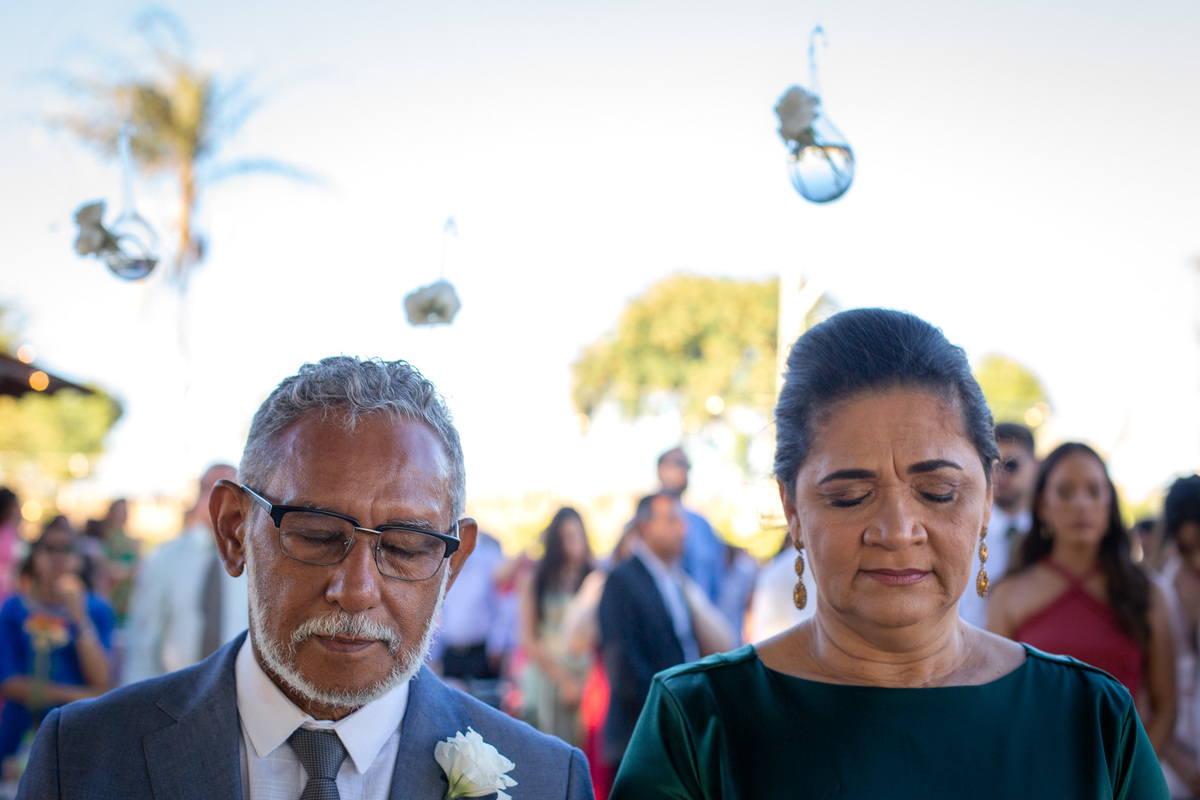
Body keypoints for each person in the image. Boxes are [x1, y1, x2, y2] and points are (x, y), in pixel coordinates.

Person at [610, 308, 1169, 798]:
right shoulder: (699, 722)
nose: (898, 530)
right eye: (849, 497)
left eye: (939, 493)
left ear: (988, 498)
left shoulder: (1093, 720)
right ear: (793, 511)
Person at [17, 356, 593, 799]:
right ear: (234, 531)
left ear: (453, 564)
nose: (358, 588)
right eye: (317, 535)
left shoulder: (546, 780)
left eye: (406, 547)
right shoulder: (86, 758)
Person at [988, 442, 1176, 755]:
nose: (1081, 504)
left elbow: (1166, 707)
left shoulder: (1146, 591)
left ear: (1109, 503)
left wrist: (1128, 780)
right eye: (1065, 492)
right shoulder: (1009, 594)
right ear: (1042, 505)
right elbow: (996, 704)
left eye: (1094, 491)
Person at [0, 517, 114, 768]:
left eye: (68, 549)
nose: (59, 558)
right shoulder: (12, 609)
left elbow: (102, 678)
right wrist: (77, 695)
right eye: (50, 548)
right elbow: (7, 681)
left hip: (75, 735)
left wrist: (79, 616)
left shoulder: (97, 610)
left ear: (79, 559)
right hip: (19, 734)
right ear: (35, 557)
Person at [598, 493, 700, 772]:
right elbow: (625, 670)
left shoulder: (673, 579)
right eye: (671, 521)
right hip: (642, 738)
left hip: (672, 734)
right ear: (644, 527)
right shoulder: (621, 580)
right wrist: (674, 715)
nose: (682, 530)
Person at [121, 464, 249, 685]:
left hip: (242, 692)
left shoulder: (258, 561)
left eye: (235, 490)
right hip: (175, 692)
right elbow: (144, 639)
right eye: (212, 489)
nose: (223, 500)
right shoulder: (165, 559)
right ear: (199, 496)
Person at [518, 507, 594, 745]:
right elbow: (530, 640)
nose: (569, 546)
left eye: (575, 537)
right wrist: (564, 681)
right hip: (547, 678)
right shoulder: (536, 580)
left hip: (586, 677)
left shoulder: (594, 578)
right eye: (563, 539)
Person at [958, 422, 1036, 628]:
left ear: (1035, 466)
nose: (999, 474)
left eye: (1010, 465)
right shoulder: (964, 536)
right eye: (991, 465)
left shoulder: (1051, 537)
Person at [1154, 475, 1200, 796]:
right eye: (1186, 549)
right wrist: (1184, 765)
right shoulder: (1160, 592)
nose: (1198, 561)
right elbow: (1146, 691)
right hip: (1172, 775)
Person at [657, 448, 727, 605]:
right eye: (679, 463)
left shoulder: (702, 526)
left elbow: (716, 581)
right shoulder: (640, 525)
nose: (685, 470)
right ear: (661, 470)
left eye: (688, 465)